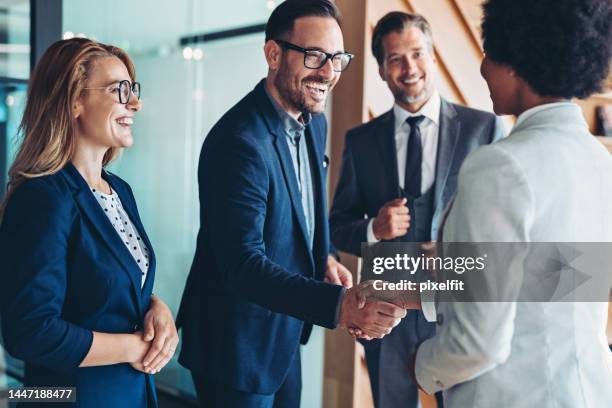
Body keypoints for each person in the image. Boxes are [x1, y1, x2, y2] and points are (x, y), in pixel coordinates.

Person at [176, 1, 407, 407]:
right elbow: (242, 266)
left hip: (283, 335)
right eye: (315, 56)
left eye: (337, 59)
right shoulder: (239, 143)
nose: (328, 73)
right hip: (236, 347)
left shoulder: (312, 119)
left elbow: (302, 215)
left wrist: (326, 259)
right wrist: (340, 308)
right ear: (273, 53)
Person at [411, 0, 612, 406]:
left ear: (518, 60)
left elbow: (477, 343)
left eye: (489, 54)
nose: (483, 68)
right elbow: (553, 283)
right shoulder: (600, 163)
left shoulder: (500, 165)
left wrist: (422, 365)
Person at [329, 12, 504, 408]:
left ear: (433, 56)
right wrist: (374, 228)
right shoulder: (361, 141)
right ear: (381, 70)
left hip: (458, 310)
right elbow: (336, 227)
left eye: (417, 54)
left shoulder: (484, 129)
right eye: (395, 59)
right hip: (384, 314)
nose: (409, 68)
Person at [0, 38, 179, 407]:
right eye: (120, 90)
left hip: (130, 394)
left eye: (134, 89)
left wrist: (155, 307)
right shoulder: (42, 197)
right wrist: (134, 346)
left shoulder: (119, 190)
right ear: (75, 101)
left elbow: (101, 282)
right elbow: (30, 331)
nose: (135, 103)